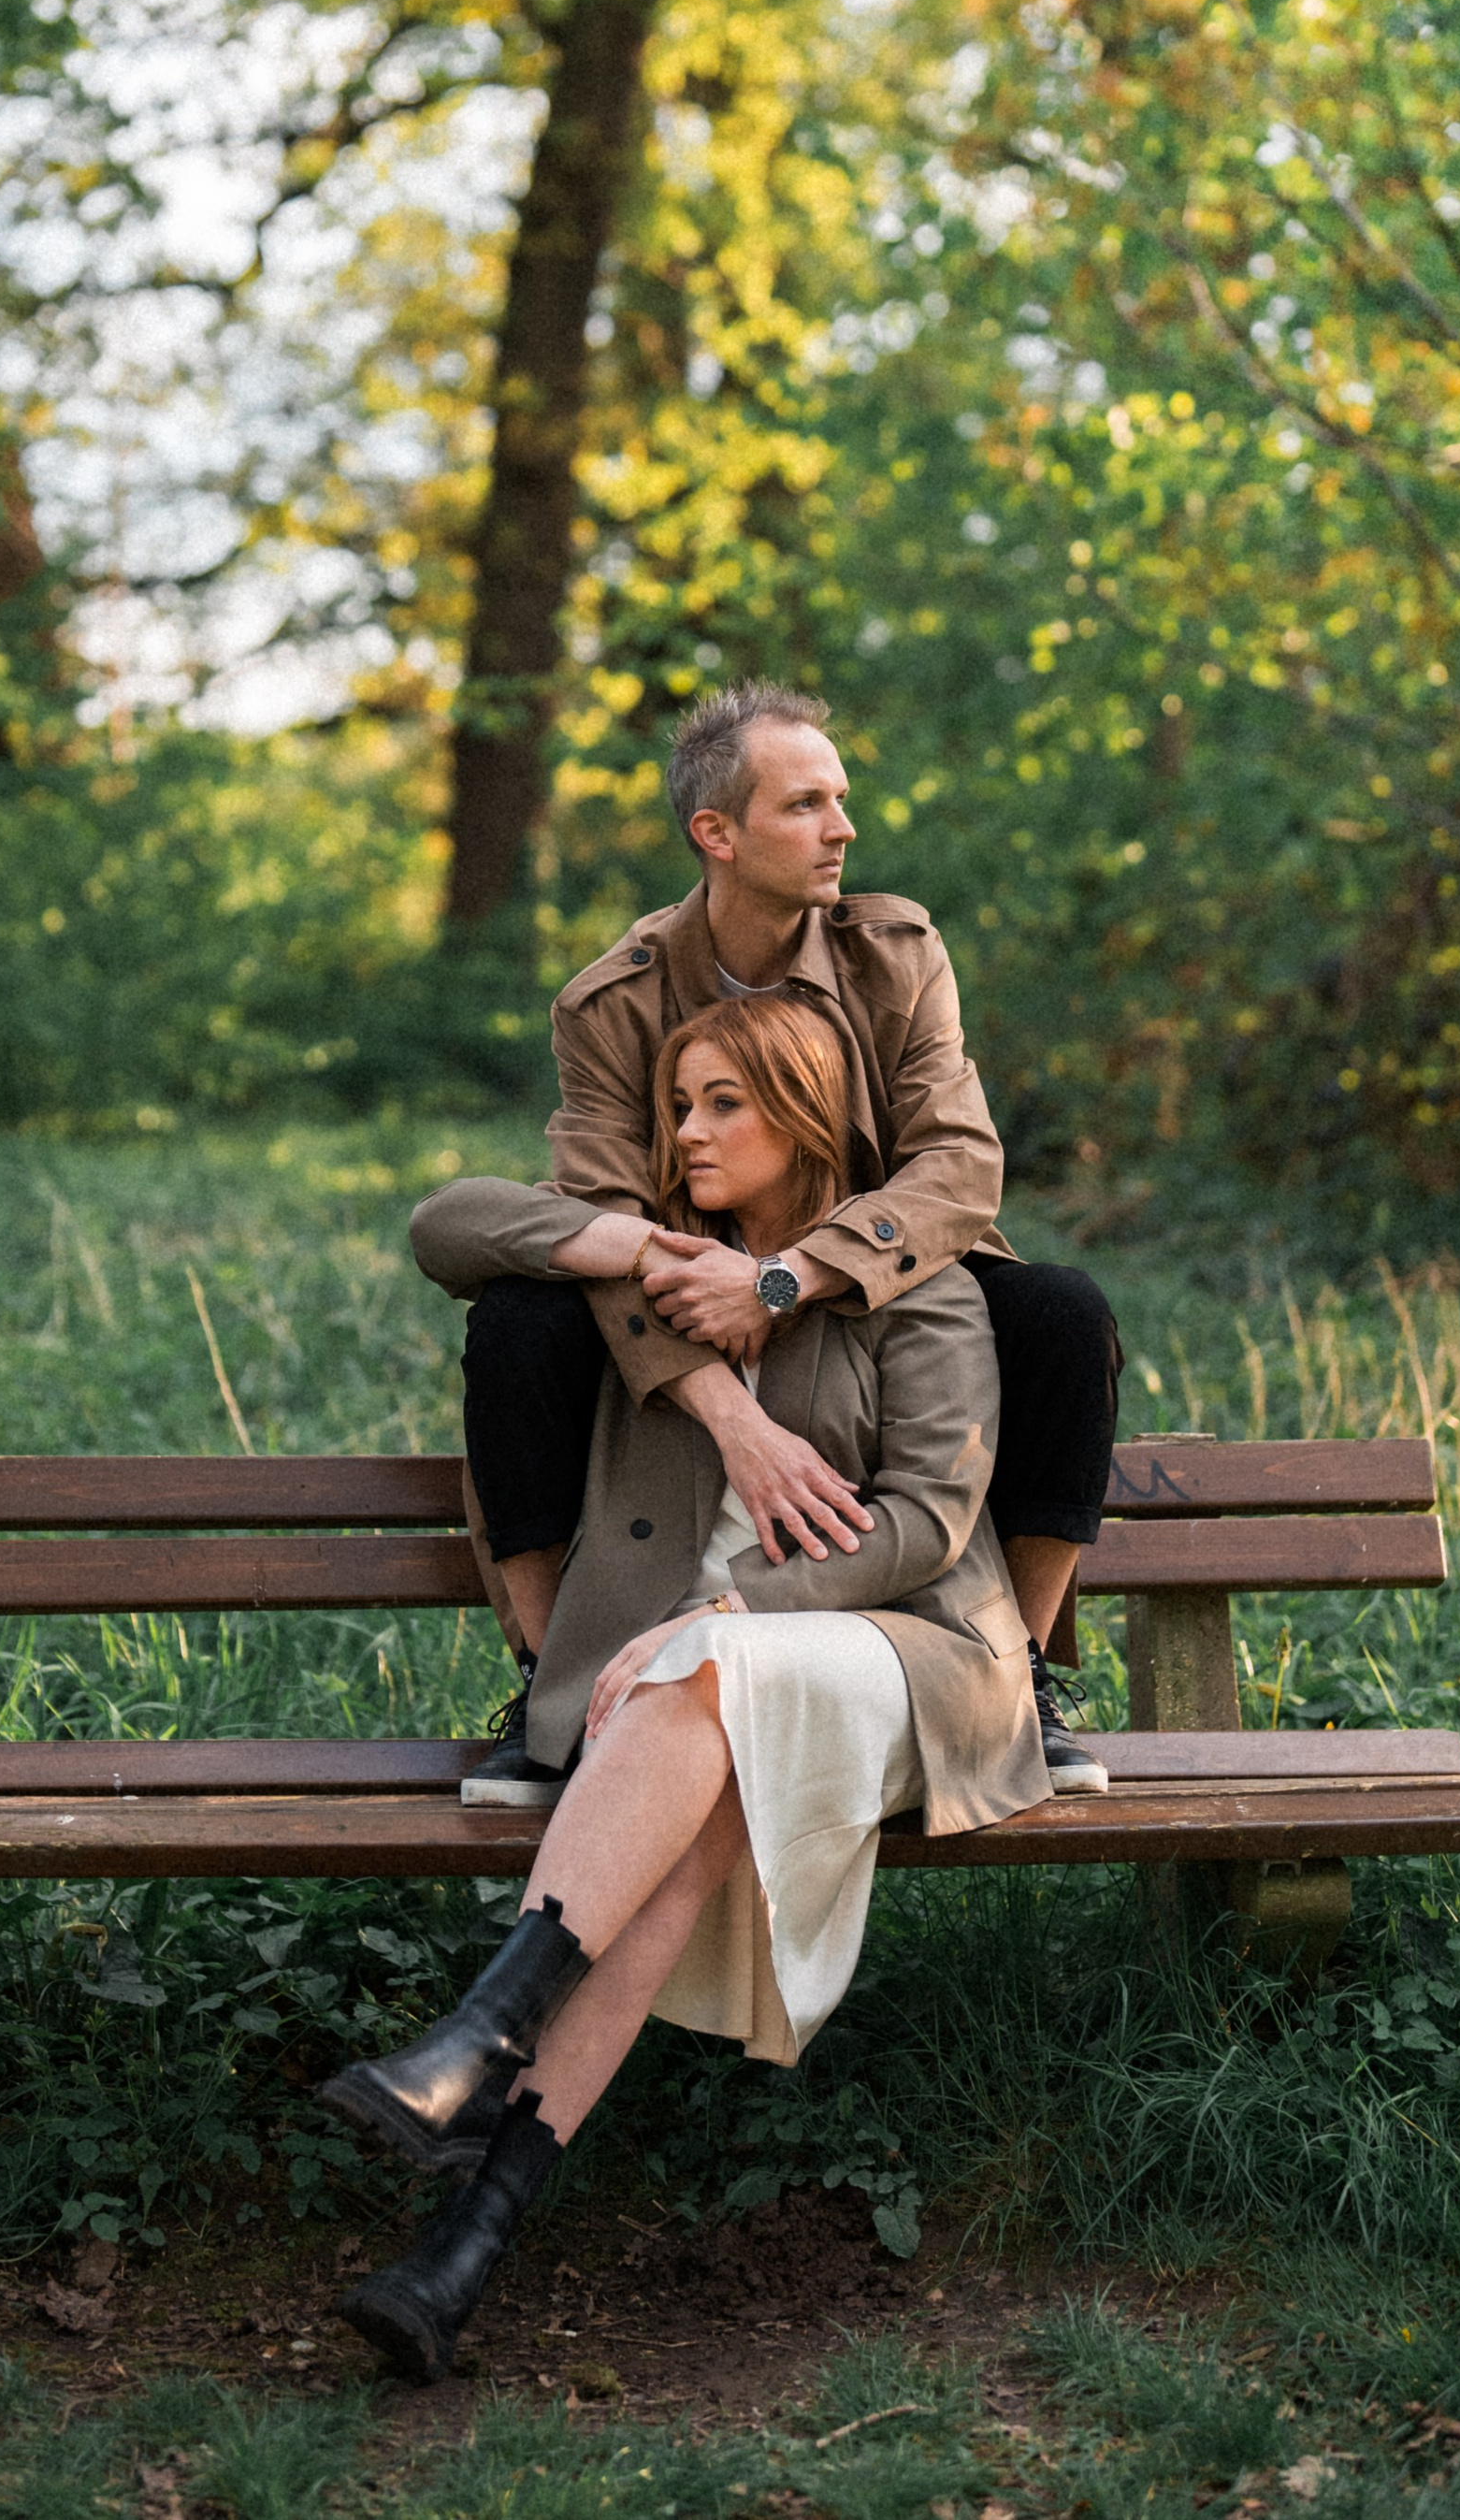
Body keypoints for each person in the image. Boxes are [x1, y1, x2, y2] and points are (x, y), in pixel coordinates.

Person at [326, 994, 1048, 2382]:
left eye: (725, 1103)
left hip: (902, 1658)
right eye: (677, 1105)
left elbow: (929, 1523)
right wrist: (642, 1244)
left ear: (806, 1115)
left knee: (713, 1671)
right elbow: (450, 1226)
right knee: (677, 1827)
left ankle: (478, 2036)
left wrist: (734, 1609)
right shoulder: (653, 1281)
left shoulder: (920, 1287)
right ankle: (460, 2253)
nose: (688, 1132)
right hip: (701, 1687)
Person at [433, 678, 1120, 1805]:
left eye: (838, 799)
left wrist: (786, 1277)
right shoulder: (611, 1005)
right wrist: (731, 1410)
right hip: (681, 1296)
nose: (841, 827)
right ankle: (557, 1690)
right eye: (805, 805)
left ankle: (1019, 1676)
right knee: (520, 1322)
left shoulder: (895, 955)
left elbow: (958, 1166)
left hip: (884, 1278)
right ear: (717, 832)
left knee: (1060, 1315)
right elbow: (604, 1216)